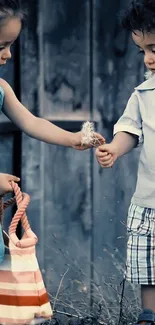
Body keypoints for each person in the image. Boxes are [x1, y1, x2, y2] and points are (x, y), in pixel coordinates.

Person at [0, 0, 105, 197]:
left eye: (11, 45)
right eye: (1, 46)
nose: (8, 54)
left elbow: (31, 122)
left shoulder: (1, 88)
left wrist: (72, 138)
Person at [95, 0, 155, 324]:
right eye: (142, 50)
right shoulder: (144, 94)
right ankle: (149, 316)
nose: (148, 59)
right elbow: (129, 130)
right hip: (151, 202)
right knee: (150, 269)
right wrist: (115, 149)